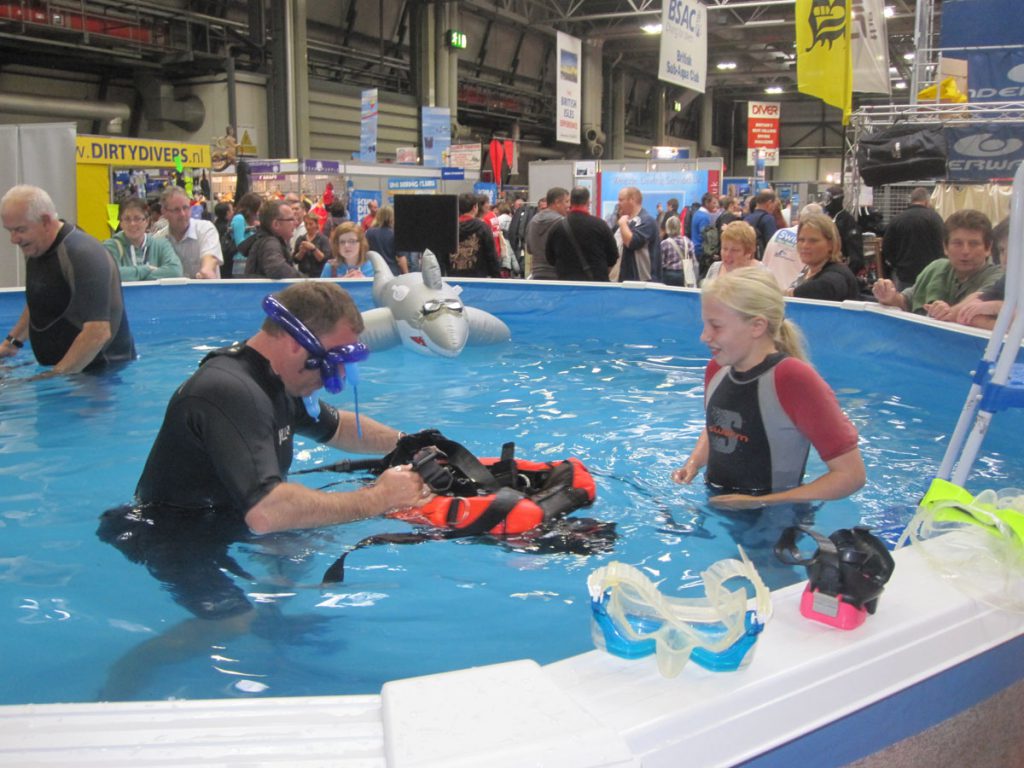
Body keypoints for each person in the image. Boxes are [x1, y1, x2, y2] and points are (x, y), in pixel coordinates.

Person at [100, 282, 432, 621]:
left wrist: (412, 444)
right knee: (236, 626)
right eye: (333, 361)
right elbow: (267, 513)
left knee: (298, 560)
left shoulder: (275, 380)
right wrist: (379, 498)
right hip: (174, 533)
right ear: (295, 343)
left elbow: (339, 427)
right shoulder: (230, 389)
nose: (340, 375)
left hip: (226, 517)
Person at [671, 267, 865, 508]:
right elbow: (719, 428)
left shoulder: (794, 379)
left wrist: (763, 502)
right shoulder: (717, 369)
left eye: (716, 326)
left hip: (777, 519)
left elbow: (851, 475)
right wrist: (693, 463)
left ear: (757, 326)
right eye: (705, 325)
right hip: (718, 504)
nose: (704, 336)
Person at [0, 184, 136, 373]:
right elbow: (41, 299)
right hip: (63, 371)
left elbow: (97, 332)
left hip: (100, 374)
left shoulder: (82, 253)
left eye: (20, 230)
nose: (14, 239)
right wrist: (11, 344)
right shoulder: (35, 247)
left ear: (45, 221)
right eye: (10, 231)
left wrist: (53, 378)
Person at [872, 209, 1002, 320]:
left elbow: (979, 300)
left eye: (973, 244)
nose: (965, 251)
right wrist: (888, 296)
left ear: (988, 248)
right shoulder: (935, 268)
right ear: (945, 247)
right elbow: (905, 301)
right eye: (957, 243)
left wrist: (947, 313)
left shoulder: (999, 278)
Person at [544, 186, 618, 281]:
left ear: (571, 202)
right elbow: (613, 257)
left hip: (567, 283)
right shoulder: (600, 225)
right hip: (596, 283)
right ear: (588, 202)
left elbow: (550, 259)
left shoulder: (557, 227)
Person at [104, 197, 183, 282]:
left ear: (147, 221)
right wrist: (146, 270)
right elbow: (109, 274)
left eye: (137, 218)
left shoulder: (161, 244)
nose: (132, 224)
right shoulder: (111, 246)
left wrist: (131, 276)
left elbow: (175, 270)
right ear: (121, 223)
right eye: (127, 219)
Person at [881, 187, 945, 290]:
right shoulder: (935, 218)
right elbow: (942, 245)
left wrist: (897, 264)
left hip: (905, 275)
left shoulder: (897, 219)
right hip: (930, 275)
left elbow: (887, 248)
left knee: (904, 299)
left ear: (912, 200)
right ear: (926, 201)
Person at [788, 213, 861, 302]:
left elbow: (825, 286)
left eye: (813, 241)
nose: (805, 246)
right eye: (801, 240)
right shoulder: (808, 269)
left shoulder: (837, 276)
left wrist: (791, 293)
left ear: (831, 244)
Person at [156, 186, 223, 279]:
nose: (183, 214)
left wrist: (207, 270)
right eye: (176, 210)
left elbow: (211, 258)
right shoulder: (158, 240)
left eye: (185, 208)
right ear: (164, 212)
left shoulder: (205, 229)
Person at [762, 203, 824, 291]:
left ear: (799, 217)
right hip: (791, 293)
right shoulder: (812, 242)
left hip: (767, 288)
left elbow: (765, 262)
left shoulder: (779, 232)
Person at [238, 199, 302, 279]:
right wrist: (304, 281)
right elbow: (277, 269)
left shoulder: (264, 240)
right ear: (276, 224)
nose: (296, 223)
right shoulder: (270, 243)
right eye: (291, 219)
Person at [614, 186, 660, 282]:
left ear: (632, 200)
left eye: (621, 200)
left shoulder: (647, 221)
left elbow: (631, 242)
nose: (618, 203)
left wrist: (622, 224)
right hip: (625, 280)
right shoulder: (627, 222)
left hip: (643, 283)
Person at [451, 192, 502, 278]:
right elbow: (491, 255)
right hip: (478, 279)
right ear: (475, 207)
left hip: (452, 278)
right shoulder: (482, 227)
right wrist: (496, 276)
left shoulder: (450, 228)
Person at [702, 221, 767, 285]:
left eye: (734, 250)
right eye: (724, 249)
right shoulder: (715, 269)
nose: (727, 254)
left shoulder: (762, 274)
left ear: (748, 252)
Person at [525, 187, 569, 280]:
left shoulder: (533, 221)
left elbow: (529, 249)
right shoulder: (562, 223)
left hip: (537, 273)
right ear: (557, 202)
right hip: (557, 274)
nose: (568, 205)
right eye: (566, 201)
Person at [823, 185, 865, 275]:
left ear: (836, 200)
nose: (825, 203)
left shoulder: (848, 221)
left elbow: (856, 257)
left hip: (839, 270)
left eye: (828, 199)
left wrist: (846, 274)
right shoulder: (827, 219)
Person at [659, 215, 698, 287]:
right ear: (680, 227)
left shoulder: (664, 243)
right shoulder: (688, 242)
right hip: (685, 275)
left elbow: (661, 264)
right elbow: (693, 261)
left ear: (667, 228)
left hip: (669, 276)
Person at [365, 205, 405, 274]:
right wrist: (406, 273)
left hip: (374, 269)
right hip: (392, 271)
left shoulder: (369, 232)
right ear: (391, 217)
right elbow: (401, 258)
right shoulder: (394, 234)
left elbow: (365, 251)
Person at [292, 212, 331, 278]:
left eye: (311, 224)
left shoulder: (323, 239)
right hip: (302, 275)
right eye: (306, 224)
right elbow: (295, 260)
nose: (308, 227)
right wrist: (301, 252)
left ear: (316, 224)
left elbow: (324, 259)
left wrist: (313, 249)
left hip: (319, 275)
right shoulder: (301, 239)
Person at [743, 189, 779, 259]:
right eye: (774, 204)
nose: (774, 208)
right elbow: (772, 243)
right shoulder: (768, 219)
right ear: (769, 203)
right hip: (762, 259)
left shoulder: (747, 218)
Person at [690, 192, 721, 270]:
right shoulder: (704, 217)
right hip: (702, 251)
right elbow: (706, 237)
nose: (716, 205)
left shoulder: (697, 213)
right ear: (707, 203)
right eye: (713, 203)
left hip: (696, 248)